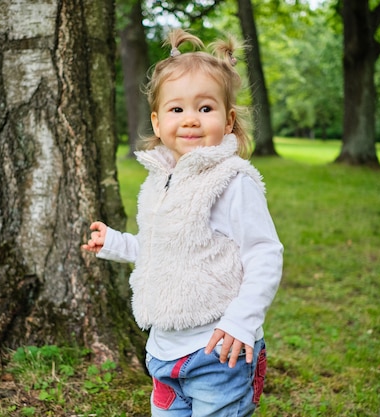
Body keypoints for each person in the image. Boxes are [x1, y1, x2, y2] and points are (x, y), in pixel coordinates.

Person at [82, 28, 283, 417]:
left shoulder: (233, 181)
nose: (191, 119)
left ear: (228, 121)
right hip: (163, 351)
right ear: (157, 123)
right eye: (177, 110)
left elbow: (264, 254)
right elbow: (161, 247)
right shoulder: (159, 181)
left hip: (219, 352)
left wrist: (242, 322)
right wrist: (115, 243)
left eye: (205, 108)